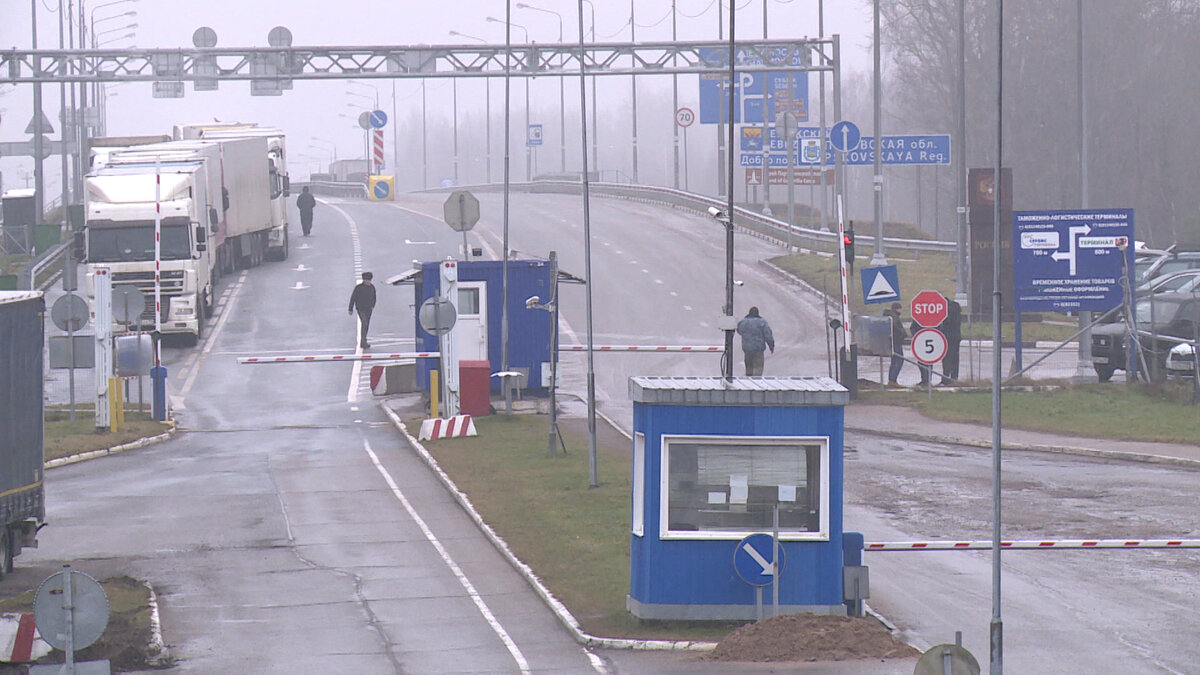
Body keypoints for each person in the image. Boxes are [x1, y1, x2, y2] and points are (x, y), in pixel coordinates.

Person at [735, 306, 775, 376]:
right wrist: (771, 346)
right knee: (758, 368)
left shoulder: (743, 322)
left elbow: (739, 330)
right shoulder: (762, 322)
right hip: (758, 349)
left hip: (747, 349)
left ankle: (748, 384)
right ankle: (756, 384)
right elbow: (768, 335)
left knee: (749, 368)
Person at [348, 272, 376, 349]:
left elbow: (374, 297)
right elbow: (353, 298)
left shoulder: (372, 287)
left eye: (369, 280)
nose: (368, 282)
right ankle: (363, 342)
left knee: (366, 325)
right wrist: (350, 308)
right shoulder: (358, 288)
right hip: (361, 309)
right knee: (364, 323)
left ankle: (364, 341)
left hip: (369, 309)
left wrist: (373, 306)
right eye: (367, 280)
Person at [939, 298, 963, 385]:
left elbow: (947, 322)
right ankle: (954, 378)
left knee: (947, 358)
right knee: (955, 358)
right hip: (956, 337)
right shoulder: (956, 309)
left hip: (948, 337)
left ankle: (946, 379)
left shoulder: (948, 311)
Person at [909, 314, 932, 387]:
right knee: (921, 361)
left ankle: (927, 380)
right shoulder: (918, 317)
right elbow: (912, 328)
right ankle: (924, 379)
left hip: (930, 341)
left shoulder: (933, 318)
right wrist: (917, 337)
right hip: (920, 341)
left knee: (928, 361)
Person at [887, 302, 906, 386]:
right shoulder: (894, 317)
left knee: (894, 360)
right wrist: (903, 333)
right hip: (896, 342)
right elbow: (896, 327)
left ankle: (892, 380)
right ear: (897, 309)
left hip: (892, 342)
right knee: (899, 360)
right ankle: (892, 380)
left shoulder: (889, 316)